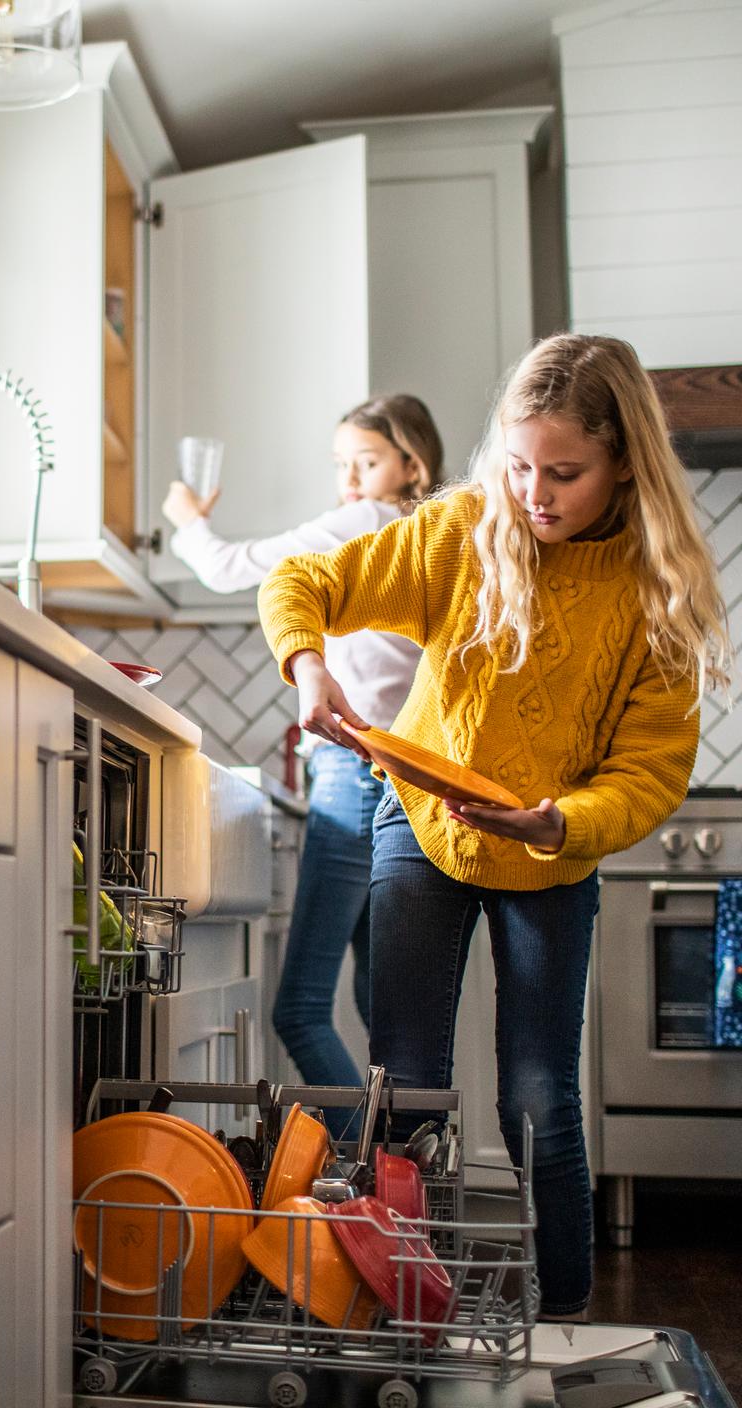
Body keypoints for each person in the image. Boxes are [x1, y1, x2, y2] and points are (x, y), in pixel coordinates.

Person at [258, 333, 731, 1318]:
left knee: (538, 1103)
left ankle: (560, 1324)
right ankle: (404, 1320)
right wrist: (309, 664)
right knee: (407, 1094)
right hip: (422, 826)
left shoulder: (655, 591)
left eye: (563, 473)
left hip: (551, 852)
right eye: (518, 466)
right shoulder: (464, 527)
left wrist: (557, 823)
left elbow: (649, 771)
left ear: (623, 467)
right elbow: (302, 586)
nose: (533, 494)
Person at [162, 395, 444, 1103]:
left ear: (414, 462)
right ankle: (402, 1185)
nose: (350, 480)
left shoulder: (367, 523)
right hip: (405, 780)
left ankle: (367, 1178)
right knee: (387, 1017)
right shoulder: (426, 536)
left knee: (300, 1010)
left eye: (368, 461)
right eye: (341, 464)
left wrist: (189, 520)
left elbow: (231, 569)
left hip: (356, 774)